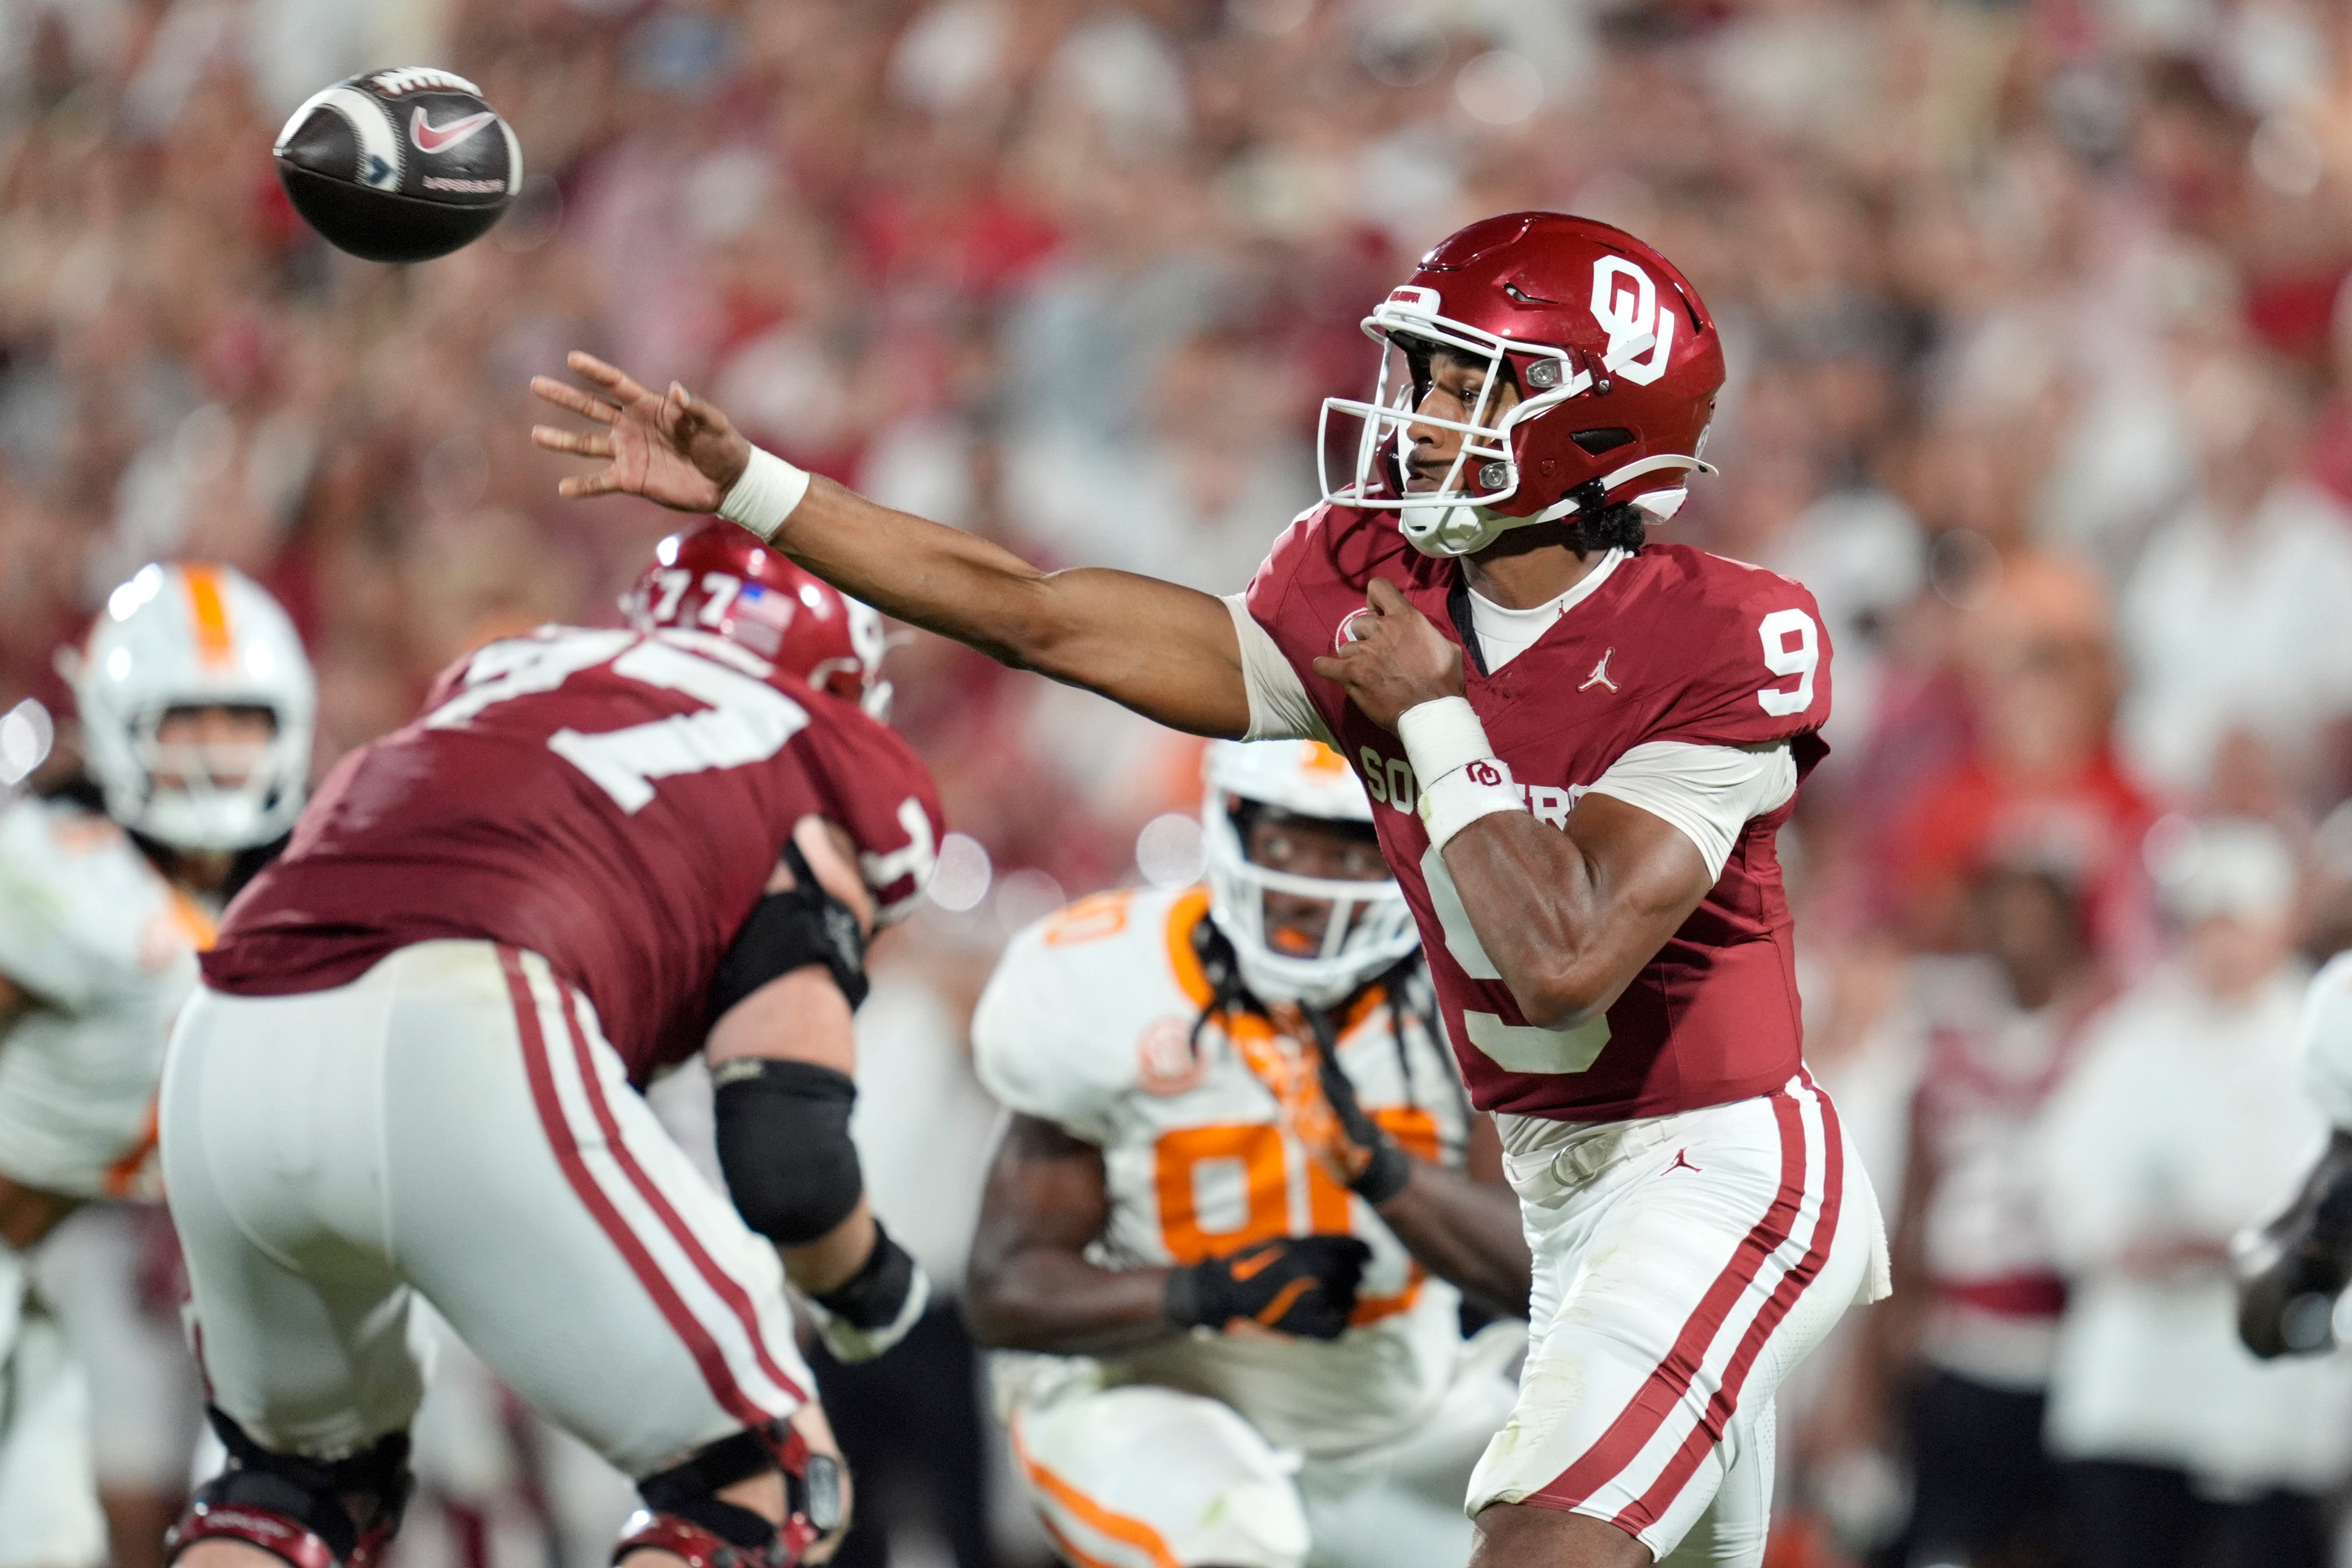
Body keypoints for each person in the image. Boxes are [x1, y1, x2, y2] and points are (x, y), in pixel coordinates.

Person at [534, 209, 1889, 1568]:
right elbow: (1039, 613)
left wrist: (1434, 722)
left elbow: (1567, 954)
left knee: (1537, 1545)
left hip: (1711, 1166)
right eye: (1421, 376)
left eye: (1466, 383)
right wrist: (757, 492)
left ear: (1592, 419)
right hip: (1554, 1180)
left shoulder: (1721, 633)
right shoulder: (1371, 580)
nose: (1416, 418)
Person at [157, 522, 945, 1568]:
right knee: (756, 1477)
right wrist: (866, 1284)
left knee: (293, 1489)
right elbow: (787, 1159)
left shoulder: (513, 674)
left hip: (225, 1039)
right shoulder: (807, 750)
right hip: (462, 1028)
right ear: (836, 673)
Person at [965, 738, 1530, 1568]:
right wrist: (1207, 1289)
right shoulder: (1110, 982)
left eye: (1347, 847)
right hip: (1155, 1401)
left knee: (1625, 1502)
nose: (1309, 882)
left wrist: (1382, 1170)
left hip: (1394, 1414)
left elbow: (1543, 1275)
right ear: (1229, 823)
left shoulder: (1474, 992)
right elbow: (1004, 1288)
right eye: (1286, 841)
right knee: (1232, 1534)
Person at [0, 561, 314, 1568]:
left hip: (38, 1267)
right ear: (120, 717)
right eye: (188, 719)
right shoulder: (56, 872)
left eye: (242, 719)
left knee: (50, 1541)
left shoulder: (294, 890)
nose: (219, 752)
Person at [2037, 820, 2352, 1568]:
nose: (2221, 944)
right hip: (2134, 1379)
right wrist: (2122, 1239)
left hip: (2266, 1389)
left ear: (2280, 922)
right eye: (2204, 923)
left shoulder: (2322, 1041)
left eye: (2236, 922)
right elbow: (2062, 1173)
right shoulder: (2130, 1036)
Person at [1880, 856, 2109, 1568]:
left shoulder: (2108, 1037)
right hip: (1961, 1338)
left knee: (2047, 1540)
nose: (2015, 936)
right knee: (1947, 1535)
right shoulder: (1944, 1038)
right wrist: (1892, 1306)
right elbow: (1916, 1183)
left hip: (2071, 1347)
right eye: (2001, 916)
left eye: (2032, 917)